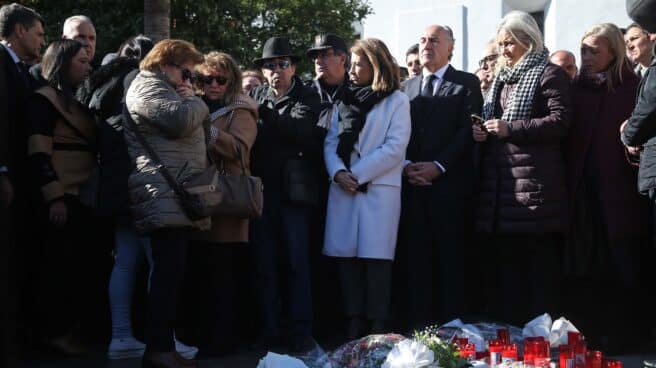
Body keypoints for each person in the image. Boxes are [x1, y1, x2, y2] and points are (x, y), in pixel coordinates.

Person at [471, 11, 571, 325]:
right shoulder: (501, 78)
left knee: (536, 270)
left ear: (528, 41)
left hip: (534, 189)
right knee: (506, 269)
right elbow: (495, 123)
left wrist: (510, 128)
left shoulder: (549, 73)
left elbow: (560, 121)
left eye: (509, 43)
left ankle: (540, 338)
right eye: (500, 44)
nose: (503, 50)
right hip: (501, 190)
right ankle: (512, 338)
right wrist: (482, 132)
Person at [124, 39, 207, 368]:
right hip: (162, 192)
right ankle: (158, 351)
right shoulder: (146, 87)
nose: (188, 77)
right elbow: (179, 122)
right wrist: (197, 103)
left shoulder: (169, 89)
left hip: (178, 193)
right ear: (164, 63)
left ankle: (162, 348)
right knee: (164, 276)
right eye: (184, 69)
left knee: (171, 275)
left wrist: (192, 103)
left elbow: (203, 133)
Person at [568, 22, 648, 352]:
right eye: (583, 50)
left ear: (613, 51)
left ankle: (628, 336)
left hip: (621, 196)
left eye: (593, 51)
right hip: (583, 194)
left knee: (624, 267)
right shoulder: (577, 88)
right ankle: (593, 335)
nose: (585, 57)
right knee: (589, 267)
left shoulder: (632, 86)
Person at [323, 38, 410, 338]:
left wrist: (356, 174)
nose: (353, 69)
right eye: (353, 63)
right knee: (346, 258)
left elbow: (395, 147)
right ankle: (353, 320)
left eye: (359, 63)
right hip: (344, 188)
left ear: (376, 64)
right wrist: (337, 173)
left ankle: (378, 323)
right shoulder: (343, 98)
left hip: (377, 188)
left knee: (376, 261)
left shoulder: (397, 100)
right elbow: (331, 143)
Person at [399, 24, 483, 330]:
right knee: (417, 259)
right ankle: (421, 328)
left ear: (450, 47)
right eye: (422, 40)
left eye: (434, 40)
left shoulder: (465, 83)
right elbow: (398, 134)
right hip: (413, 186)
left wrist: (439, 165)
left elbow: (467, 132)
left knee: (450, 259)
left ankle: (454, 329)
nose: (426, 45)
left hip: (449, 187)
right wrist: (407, 165)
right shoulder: (406, 88)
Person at [248, 37, 321, 353]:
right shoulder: (256, 95)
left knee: (296, 265)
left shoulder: (306, 95)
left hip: (294, 195)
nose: (276, 70)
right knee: (264, 265)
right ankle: (270, 330)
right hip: (261, 193)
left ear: (293, 67)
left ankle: (300, 331)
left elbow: (299, 129)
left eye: (282, 64)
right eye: (269, 65)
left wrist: (261, 113)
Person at [26, 39, 94, 355]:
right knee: (57, 267)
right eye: (81, 61)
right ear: (63, 64)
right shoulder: (43, 101)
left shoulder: (74, 101)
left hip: (80, 195)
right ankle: (53, 333)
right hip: (60, 197)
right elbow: (39, 153)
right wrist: (54, 197)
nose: (87, 66)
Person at [190, 51, 258, 357]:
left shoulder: (241, 110)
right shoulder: (198, 105)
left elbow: (241, 151)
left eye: (220, 79)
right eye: (207, 79)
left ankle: (223, 342)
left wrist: (208, 129)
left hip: (227, 202)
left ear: (231, 81)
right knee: (203, 276)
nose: (213, 84)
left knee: (224, 277)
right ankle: (205, 338)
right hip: (200, 199)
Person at [0, 3, 44, 364]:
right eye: (39, 33)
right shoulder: (1, 64)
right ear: (19, 30)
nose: (42, 40)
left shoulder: (21, 70)